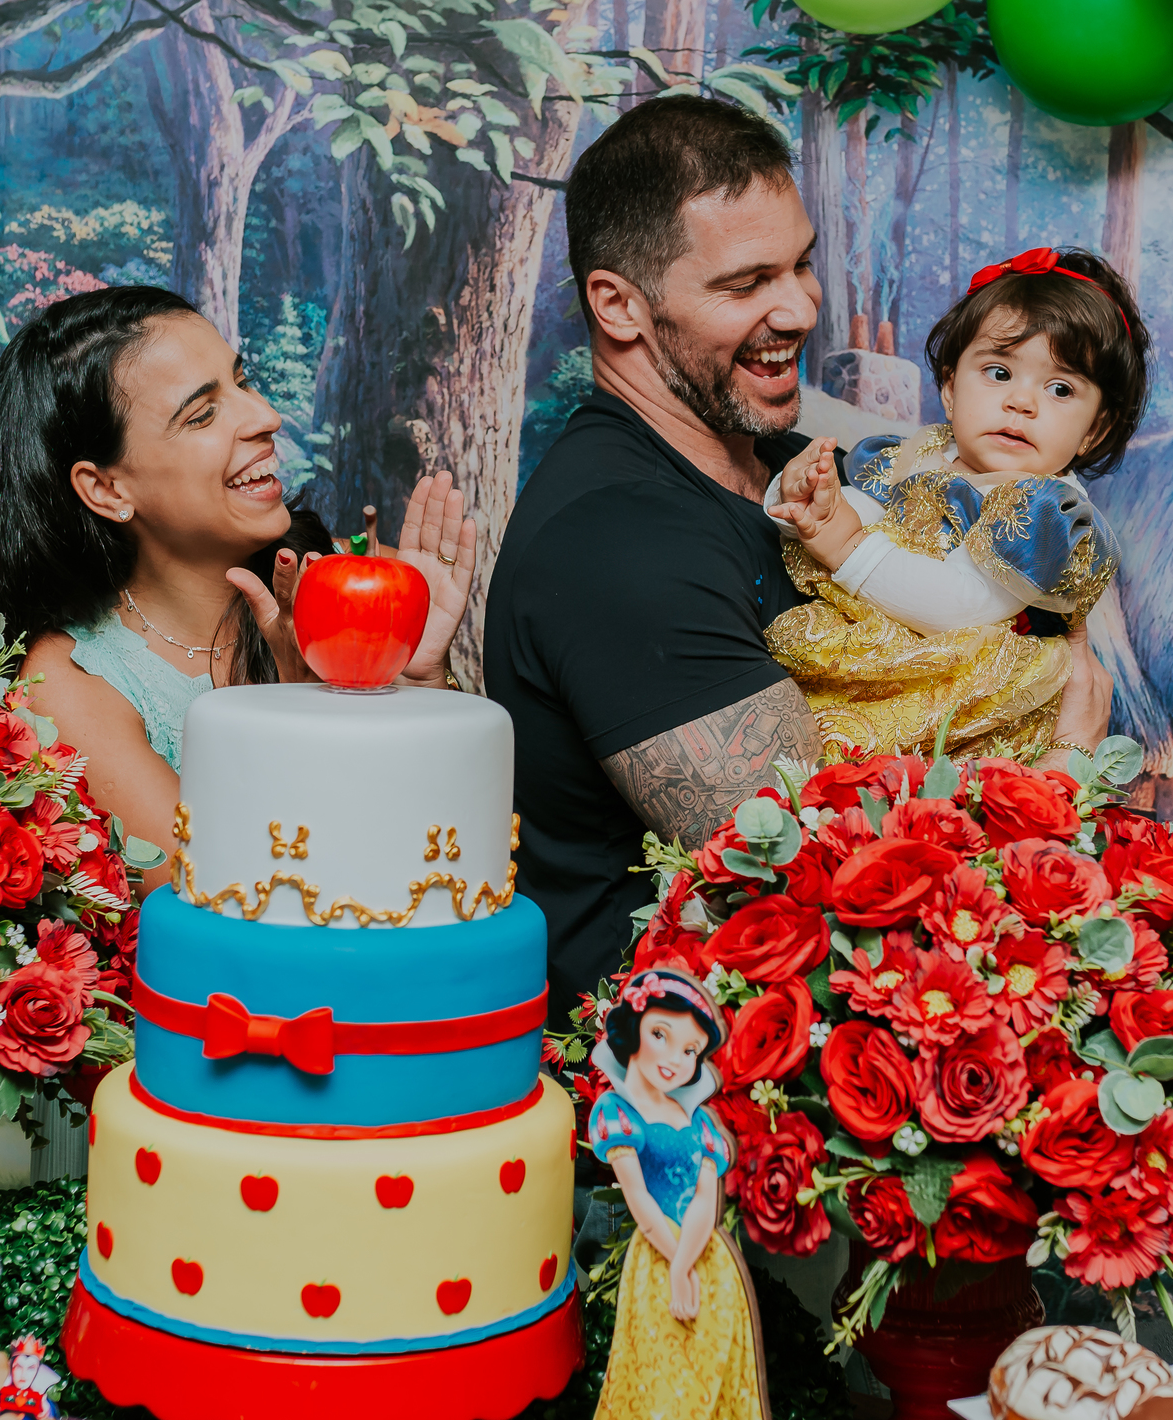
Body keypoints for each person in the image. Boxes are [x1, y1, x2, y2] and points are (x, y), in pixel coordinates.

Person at [483, 99, 1113, 1022]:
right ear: (618, 304)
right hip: (688, 1092)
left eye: (802, 263)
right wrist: (1060, 779)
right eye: (746, 284)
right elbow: (810, 884)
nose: (801, 307)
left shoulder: (795, 471)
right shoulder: (617, 540)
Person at [0, 289, 475, 879]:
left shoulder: (354, 580)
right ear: (108, 489)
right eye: (203, 413)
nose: (265, 417)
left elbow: (460, 854)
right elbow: (237, 898)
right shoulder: (67, 686)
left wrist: (424, 684)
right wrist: (307, 708)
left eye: (243, 381)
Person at [765, 246, 1144, 761]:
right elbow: (859, 507)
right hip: (884, 660)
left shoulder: (1044, 508)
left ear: (1094, 428)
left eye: (1059, 388)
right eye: (999, 373)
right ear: (949, 388)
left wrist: (847, 543)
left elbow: (964, 607)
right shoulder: (915, 453)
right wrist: (803, 499)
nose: (1021, 402)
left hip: (972, 704)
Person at [565, 965, 793, 1420]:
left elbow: (705, 1198)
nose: (675, 1058)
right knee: (656, 1383)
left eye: (690, 1049)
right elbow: (639, 1200)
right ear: (634, 1031)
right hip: (655, 1261)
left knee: (714, 1388)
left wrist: (690, 1265)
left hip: (708, 1265)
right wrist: (671, 1267)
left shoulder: (699, 1125)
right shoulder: (617, 1114)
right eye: (663, 1036)